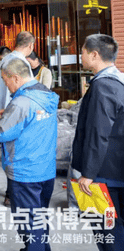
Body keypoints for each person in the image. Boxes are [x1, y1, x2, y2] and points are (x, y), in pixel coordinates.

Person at [0, 57, 58, 251]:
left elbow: (0, 133)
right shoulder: (46, 95)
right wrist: (10, 113)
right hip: (46, 169)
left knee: (28, 223)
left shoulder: (21, 103)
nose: (6, 85)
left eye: (6, 81)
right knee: (38, 218)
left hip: (25, 171)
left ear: (16, 78)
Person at [72, 34, 124, 251]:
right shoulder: (118, 81)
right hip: (116, 168)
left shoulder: (103, 86)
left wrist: (88, 173)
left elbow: (98, 133)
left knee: (107, 230)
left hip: (104, 173)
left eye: (82, 52)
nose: (80, 56)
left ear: (94, 55)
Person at [0, 31, 35, 206]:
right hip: (18, 113)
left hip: (7, 112)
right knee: (18, 154)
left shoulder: (6, 59)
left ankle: (10, 193)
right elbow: (28, 91)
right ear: (30, 45)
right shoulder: (22, 63)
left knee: (10, 154)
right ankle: (13, 194)